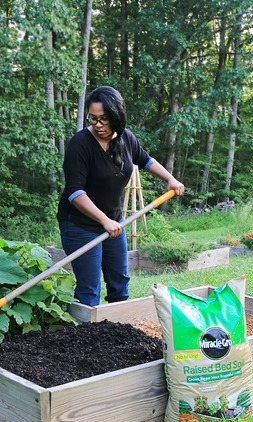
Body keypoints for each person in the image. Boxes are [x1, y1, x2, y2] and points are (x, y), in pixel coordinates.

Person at [56, 86, 185, 306]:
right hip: (80, 226)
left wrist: (170, 179)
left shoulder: (126, 138)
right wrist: (104, 221)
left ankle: (120, 334)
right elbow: (75, 192)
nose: (97, 125)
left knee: (119, 283)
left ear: (116, 117)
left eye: (103, 119)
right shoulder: (80, 144)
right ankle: (87, 335)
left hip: (114, 221)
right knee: (89, 289)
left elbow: (145, 159)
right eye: (92, 118)